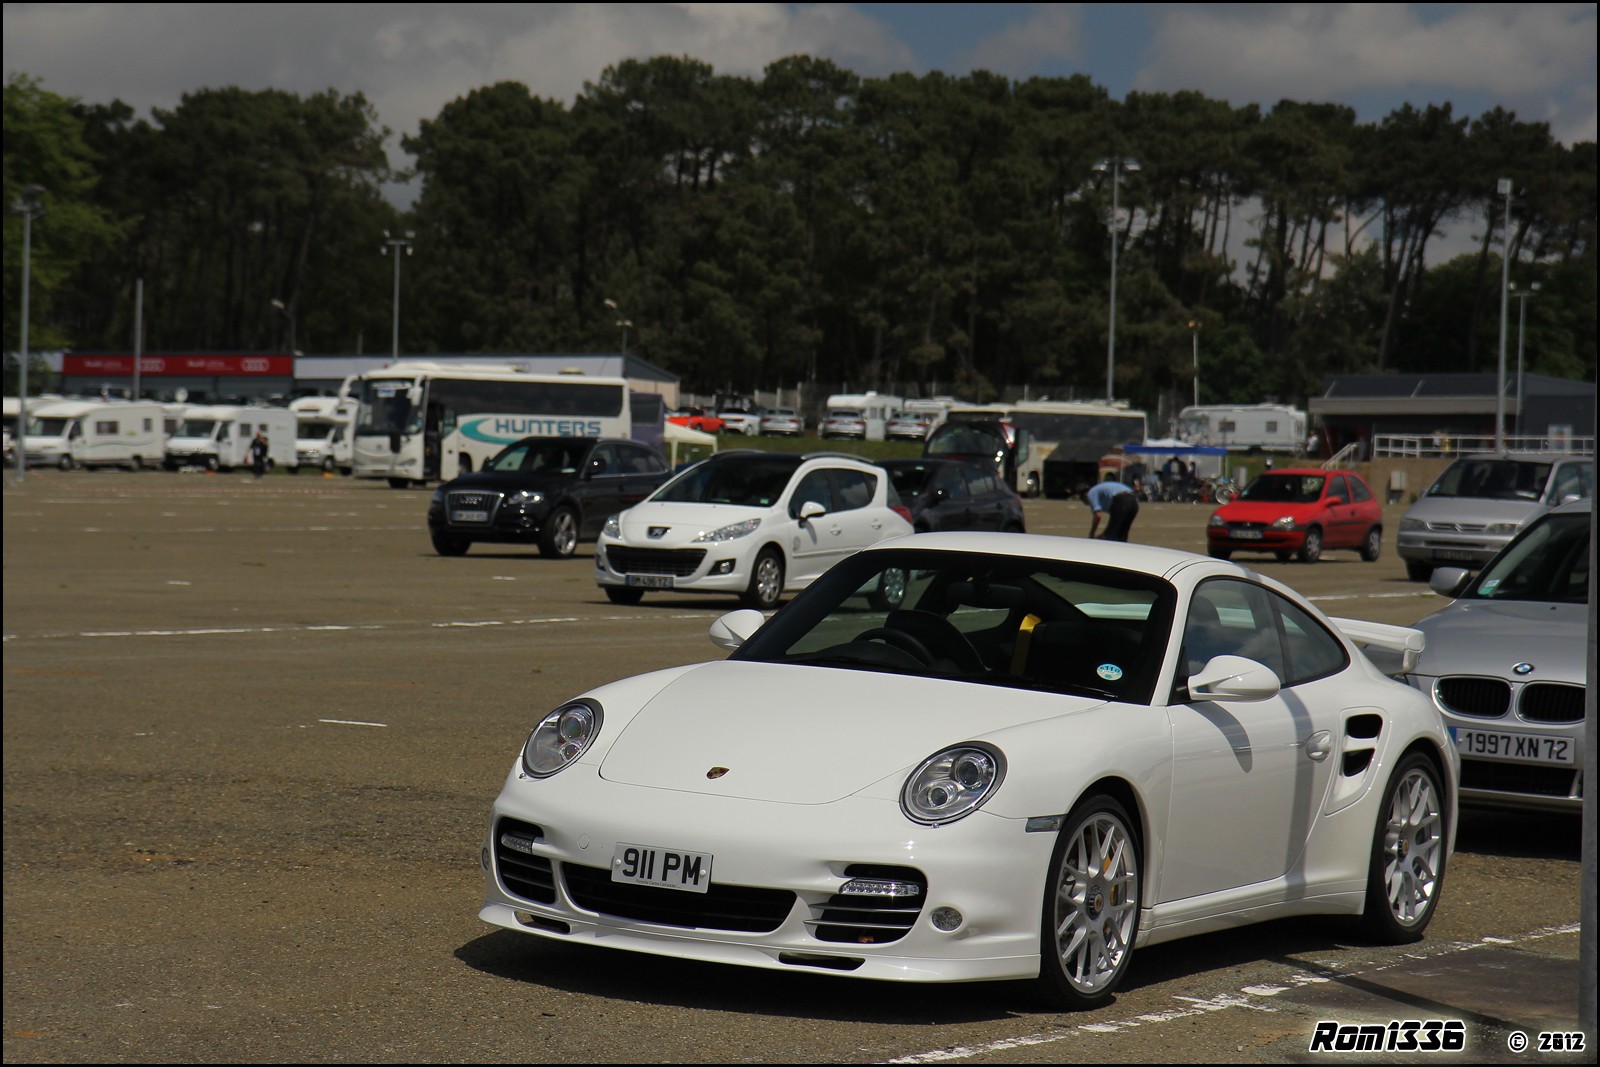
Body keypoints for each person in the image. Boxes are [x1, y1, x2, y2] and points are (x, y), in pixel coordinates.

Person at [1081, 473, 1139, 542]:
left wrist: (1092, 533)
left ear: (1085, 495)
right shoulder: (1103, 496)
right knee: (1122, 535)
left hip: (1122, 500)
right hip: (1133, 502)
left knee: (1109, 536)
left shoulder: (1091, 493)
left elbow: (1098, 516)